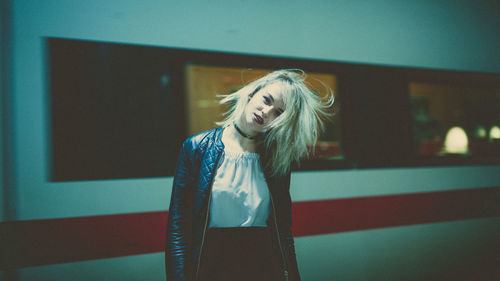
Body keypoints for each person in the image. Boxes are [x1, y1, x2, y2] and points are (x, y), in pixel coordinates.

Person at [165, 69, 334, 281]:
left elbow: (283, 233)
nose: (266, 112)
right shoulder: (196, 148)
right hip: (211, 266)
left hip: (264, 266)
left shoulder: (277, 160)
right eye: (266, 100)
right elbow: (178, 230)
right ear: (253, 92)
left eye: (278, 112)